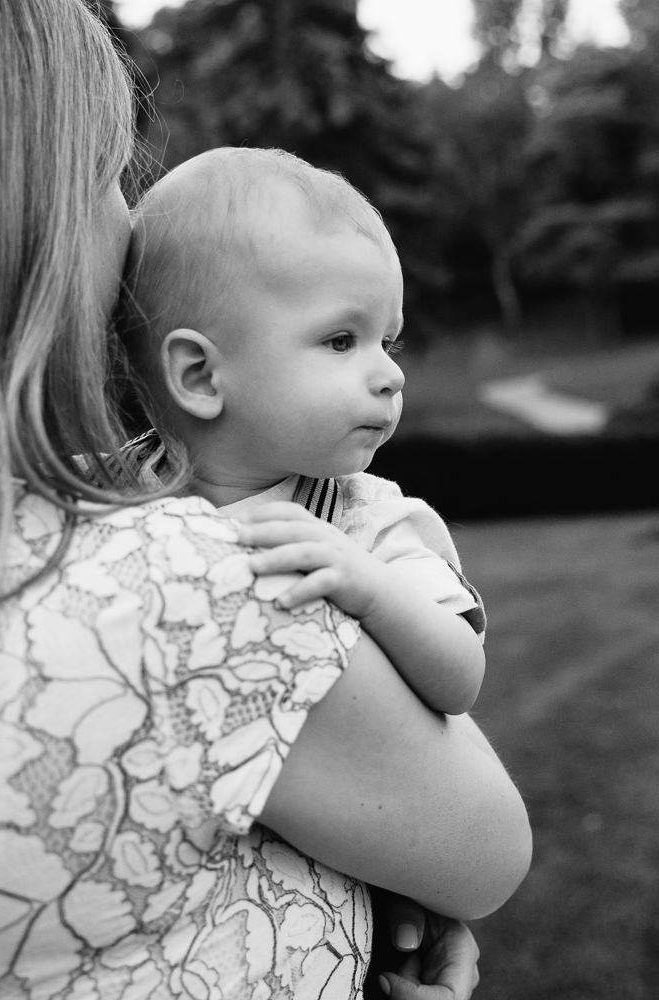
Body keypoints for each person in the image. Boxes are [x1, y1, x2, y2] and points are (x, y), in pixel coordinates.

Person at [0, 4, 531, 1000]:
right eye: (110, 172)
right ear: (3, 220)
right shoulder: (175, 590)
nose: (130, 220)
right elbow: (485, 850)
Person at [118, 147, 485, 720]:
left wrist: (370, 589)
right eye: (342, 340)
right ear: (201, 375)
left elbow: (460, 680)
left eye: (387, 342)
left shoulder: (369, 526)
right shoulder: (109, 489)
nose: (392, 374)